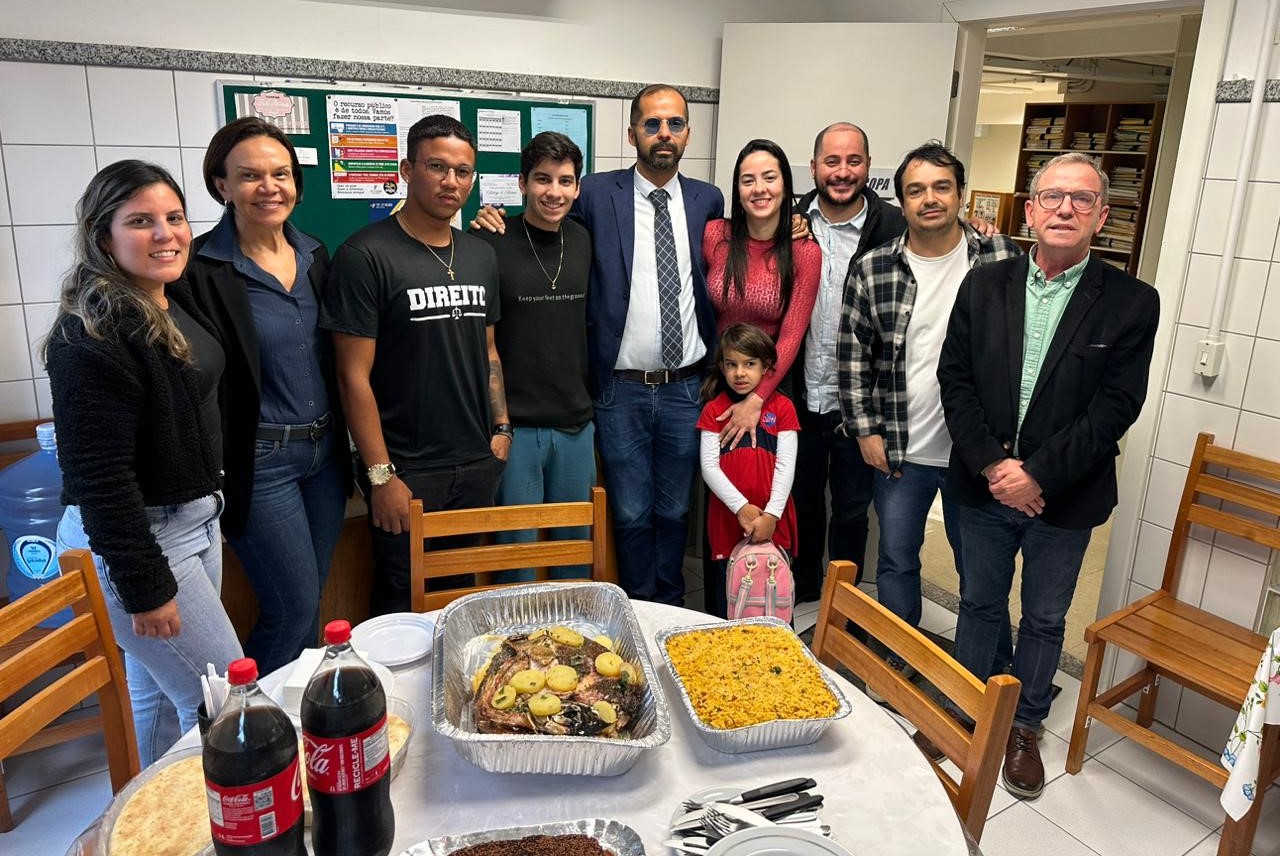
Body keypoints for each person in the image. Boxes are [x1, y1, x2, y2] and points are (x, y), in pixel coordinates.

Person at [938, 152, 1160, 800]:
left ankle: (1024, 726)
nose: (1065, 209)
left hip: (1064, 498)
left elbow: (1115, 408)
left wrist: (1036, 475)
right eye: (1053, 197)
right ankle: (966, 707)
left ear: (1101, 216)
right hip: (982, 485)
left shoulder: (1130, 302)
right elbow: (955, 381)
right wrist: (993, 464)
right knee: (979, 603)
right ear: (1029, 210)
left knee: (1042, 619)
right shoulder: (985, 285)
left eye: (1081, 200)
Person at [474, 84, 723, 604]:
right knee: (628, 512)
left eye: (674, 124)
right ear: (631, 132)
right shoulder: (594, 194)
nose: (663, 134)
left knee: (676, 510)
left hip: (685, 388)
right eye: (651, 124)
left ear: (687, 134)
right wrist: (487, 217)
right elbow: (541, 223)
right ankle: (635, 606)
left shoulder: (708, 199)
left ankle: (670, 609)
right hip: (620, 388)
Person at [46, 160, 243, 765]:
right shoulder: (93, 335)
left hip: (193, 520)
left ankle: (151, 830)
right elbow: (99, 479)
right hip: (145, 540)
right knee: (221, 699)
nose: (166, 234)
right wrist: (143, 585)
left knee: (163, 700)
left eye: (174, 218)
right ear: (104, 237)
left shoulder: (165, 299)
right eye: (141, 222)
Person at [838, 141, 1021, 714]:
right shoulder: (874, 267)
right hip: (901, 447)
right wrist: (865, 430)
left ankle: (993, 677)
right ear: (901, 200)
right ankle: (897, 659)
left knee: (981, 573)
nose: (929, 199)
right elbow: (852, 357)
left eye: (941, 187)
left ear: (961, 194)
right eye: (915, 190)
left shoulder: (1002, 260)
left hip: (980, 456)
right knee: (896, 559)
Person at [322, 114, 508, 615]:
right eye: (437, 167)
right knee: (405, 605)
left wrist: (502, 429)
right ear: (407, 170)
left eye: (464, 171)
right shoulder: (366, 255)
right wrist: (380, 476)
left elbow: (488, 351)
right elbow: (351, 375)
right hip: (407, 469)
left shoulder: (480, 255)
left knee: (465, 596)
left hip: (475, 461)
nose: (451, 181)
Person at [187, 117, 351, 675]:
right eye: (250, 176)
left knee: (310, 603)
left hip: (326, 455)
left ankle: (297, 728)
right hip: (261, 462)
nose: (269, 187)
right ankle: (246, 729)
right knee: (291, 607)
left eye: (281, 173)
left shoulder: (316, 255)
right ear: (221, 186)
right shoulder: (201, 268)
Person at [789, 122, 903, 602]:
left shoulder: (895, 226)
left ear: (869, 167)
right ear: (814, 166)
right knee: (805, 502)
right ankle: (805, 588)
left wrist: (979, 227)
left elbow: (950, 242)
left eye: (853, 161)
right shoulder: (787, 219)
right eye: (831, 162)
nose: (842, 172)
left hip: (860, 403)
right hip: (800, 396)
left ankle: (845, 600)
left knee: (854, 511)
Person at [474, 132, 594, 580]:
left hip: (576, 425)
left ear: (577, 187)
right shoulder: (491, 243)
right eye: (542, 179)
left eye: (565, 181)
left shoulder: (584, 239)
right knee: (517, 561)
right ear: (522, 182)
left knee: (573, 561)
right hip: (517, 429)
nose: (554, 192)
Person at [703, 139, 820, 446]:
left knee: (763, 484)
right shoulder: (715, 234)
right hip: (717, 383)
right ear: (737, 191)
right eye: (748, 180)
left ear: (785, 185)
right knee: (714, 484)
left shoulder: (804, 251)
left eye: (770, 177)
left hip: (771, 392)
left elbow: (792, 336)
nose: (759, 189)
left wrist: (755, 400)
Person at [697, 324, 799, 617]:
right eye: (732, 364)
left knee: (771, 592)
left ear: (766, 366)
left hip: (773, 520)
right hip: (728, 519)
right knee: (727, 596)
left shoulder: (783, 407)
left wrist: (772, 514)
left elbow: (785, 465)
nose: (740, 373)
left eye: (749, 364)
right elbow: (709, 466)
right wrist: (741, 508)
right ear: (721, 367)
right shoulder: (713, 409)